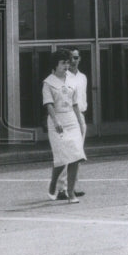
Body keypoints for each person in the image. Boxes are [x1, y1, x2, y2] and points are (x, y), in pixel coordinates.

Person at [42, 48, 86, 203]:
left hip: (72, 119)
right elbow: (49, 104)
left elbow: (75, 104)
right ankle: (54, 182)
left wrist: (80, 122)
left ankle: (71, 193)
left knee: (76, 155)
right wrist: (55, 121)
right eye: (63, 63)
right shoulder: (48, 83)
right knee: (62, 158)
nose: (66, 66)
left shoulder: (72, 80)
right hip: (57, 121)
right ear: (55, 64)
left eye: (68, 62)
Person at [56, 47, 88, 199]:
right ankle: (61, 189)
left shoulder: (82, 77)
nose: (74, 61)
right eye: (71, 58)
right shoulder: (63, 76)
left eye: (76, 58)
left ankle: (72, 187)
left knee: (77, 153)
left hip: (79, 115)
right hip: (67, 116)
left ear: (80, 58)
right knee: (65, 153)